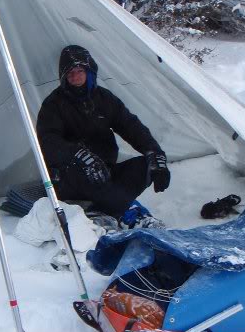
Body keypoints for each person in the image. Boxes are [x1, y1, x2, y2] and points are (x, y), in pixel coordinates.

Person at [36, 45, 170, 228]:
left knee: (144, 166)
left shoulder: (104, 99)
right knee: (93, 178)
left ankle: (102, 210)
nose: (75, 77)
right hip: (70, 177)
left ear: (89, 71)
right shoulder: (54, 104)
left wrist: (155, 154)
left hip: (104, 172)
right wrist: (80, 156)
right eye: (70, 73)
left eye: (79, 71)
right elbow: (47, 142)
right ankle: (128, 214)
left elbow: (131, 126)